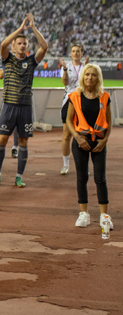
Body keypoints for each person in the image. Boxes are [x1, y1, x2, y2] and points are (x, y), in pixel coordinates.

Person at [0, 13, 48, 188]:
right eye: (19, 43)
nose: (22, 46)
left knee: (23, 142)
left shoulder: (31, 61)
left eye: (25, 43)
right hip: (8, 106)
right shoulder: (7, 59)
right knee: (2, 140)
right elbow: (3, 44)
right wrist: (20, 30)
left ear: (27, 46)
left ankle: (19, 176)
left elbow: (44, 47)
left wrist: (33, 28)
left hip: (25, 108)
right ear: (14, 46)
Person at [65, 64, 112, 232]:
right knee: (81, 177)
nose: (90, 78)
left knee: (100, 179)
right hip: (80, 143)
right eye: (87, 75)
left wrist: (104, 141)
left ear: (98, 78)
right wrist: (77, 138)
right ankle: (83, 214)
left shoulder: (104, 97)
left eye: (93, 75)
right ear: (82, 77)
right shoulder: (75, 96)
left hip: (99, 143)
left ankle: (104, 217)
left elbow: (109, 122)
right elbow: (69, 120)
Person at [58, 45, 89, 175]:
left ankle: (83, 165)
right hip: (69, 101)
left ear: (82, 54)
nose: (76, 53)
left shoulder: (87, 68)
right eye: (74, 51)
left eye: (78, 51)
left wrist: (86, 70)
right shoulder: (66, 67)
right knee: (66, 135)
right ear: (71, 54)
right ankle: (65, 165)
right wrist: (65, 68)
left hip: (84, 101)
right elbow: (65, 83)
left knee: (85, 134)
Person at [0, 64, 19, 159]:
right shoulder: (6, 61)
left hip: (19, 97)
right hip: (7, 98)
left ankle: (15, 148)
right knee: (3, 123)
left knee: (17, 124)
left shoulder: (23, 60)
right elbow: (0, 76)